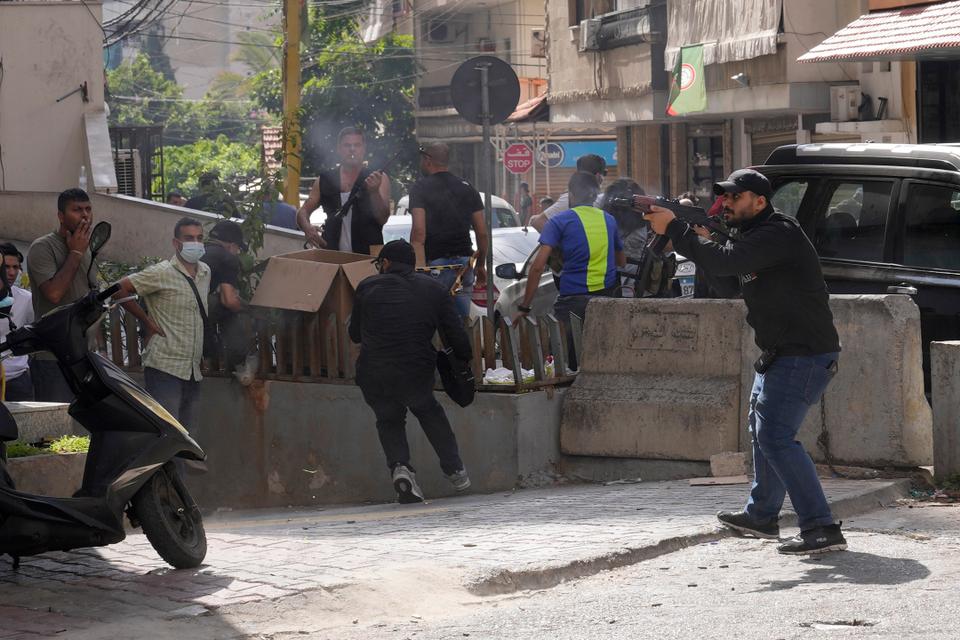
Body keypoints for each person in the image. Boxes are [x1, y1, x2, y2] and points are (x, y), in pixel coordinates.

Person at [644, 168, 846, 555]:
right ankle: (762, 516)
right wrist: (700, 241)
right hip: (781, 354)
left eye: (736, 198)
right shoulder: (751, 239)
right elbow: (729, 283)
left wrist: (679, 231)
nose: (728, 204)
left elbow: (726, 263)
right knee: (763, 433)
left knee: (775, 437)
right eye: (726, 198)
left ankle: (821, 527)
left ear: (760, 201)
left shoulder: (778, 233)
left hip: (802, 354)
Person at [350, 239, 473, 504]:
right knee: (429, 412)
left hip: (373, 371)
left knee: (389, 418)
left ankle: (400, 468)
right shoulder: (435, 289)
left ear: (385, 263)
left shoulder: (366, 287)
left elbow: (354, 334)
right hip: (415, 370)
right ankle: (455, 469)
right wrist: (464, 362)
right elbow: (456, 336)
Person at [514, 172, 625, 370]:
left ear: (571, 195)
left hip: (571, 303)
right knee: (602, 360)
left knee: (563, 362)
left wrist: (524, 307)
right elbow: (621, 261)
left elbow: (538, 267)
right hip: (606, 300)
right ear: (594, 195)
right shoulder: (609, 220)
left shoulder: (559, 221)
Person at [113, 217, 211, 435]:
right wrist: (146, 320)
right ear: (176, 243)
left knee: (188, 435)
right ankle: (164, 470)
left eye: (199, 238)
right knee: (168, 434)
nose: (195, 243)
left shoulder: (205, 272)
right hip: (164, 366)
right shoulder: (161, 272)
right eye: (189, 238)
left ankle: (178, 470)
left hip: (192, 369)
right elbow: (118, 289)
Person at [26, 188, 98, 402]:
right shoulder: (42, 247)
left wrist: (97, 348)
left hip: (85, 357)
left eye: (88, 209)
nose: (85, 215)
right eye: (77, 210)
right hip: (53, 358)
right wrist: (75, 253)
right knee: (56, 432)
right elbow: (54, 294)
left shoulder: (87, 249)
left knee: (82, 432)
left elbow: (91, 297)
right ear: (61, 216)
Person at [409, 143, 488, 318]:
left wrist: (418, 270)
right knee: (459, 322)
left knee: (435, 322)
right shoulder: (467, 187)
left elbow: (418, 232)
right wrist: (481, 265)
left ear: (428, 160)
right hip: (464, 264)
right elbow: (482, 232)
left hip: (436, 265)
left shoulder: (420, 188)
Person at [296, 127, 391, 254]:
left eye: (357, 145)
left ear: (364, 149)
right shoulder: (324, 179)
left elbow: (383, 218)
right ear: (339, 149)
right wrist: (308, 229)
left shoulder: (379, 178)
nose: (352, 149)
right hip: (332, 256)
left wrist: (374, 192)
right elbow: (303, 212)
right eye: (347, 145)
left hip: (369, 258)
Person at [201, 220, 257, 383]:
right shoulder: (227, 258)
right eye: (238, 248)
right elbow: (229, 301)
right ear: (232, 245)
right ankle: (239, 365)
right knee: (231, 311)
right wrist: (249, 309)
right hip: (193, 312)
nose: (237, 252)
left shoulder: (199, 250)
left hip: (171, 310)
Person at [529, 154, 607, 232]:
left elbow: (538, 222)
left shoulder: (601, 198)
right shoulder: (569, 199)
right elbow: (539, 223)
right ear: (598, 176)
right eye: (605, 173)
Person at [0, 243, 34, 400]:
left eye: (16, 267)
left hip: (16, 379)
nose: (12, 273)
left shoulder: (26, 299)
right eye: (6, 267)